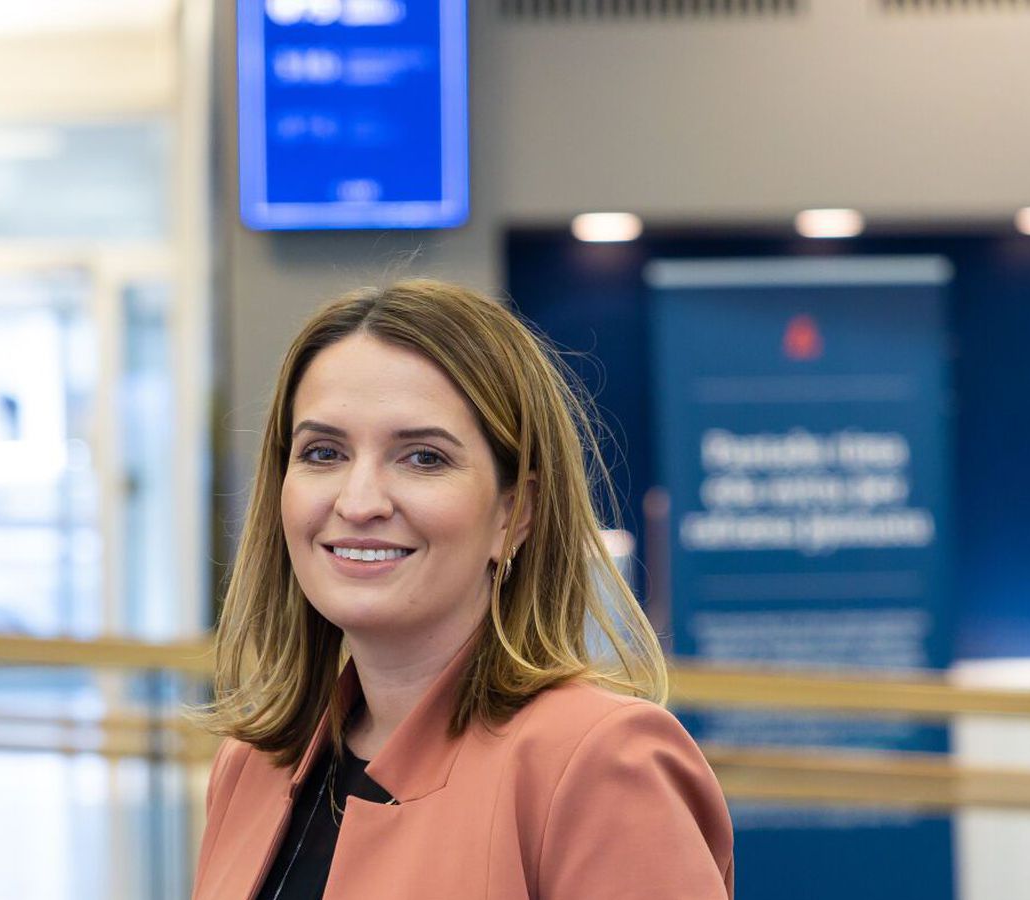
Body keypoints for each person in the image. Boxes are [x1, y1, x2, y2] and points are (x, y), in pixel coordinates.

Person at [190, 279, 735, 900]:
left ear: (515, 512)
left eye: (423, 457)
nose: (358, 502)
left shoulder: (598, 765)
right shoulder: (251, 765)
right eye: (323, 452)